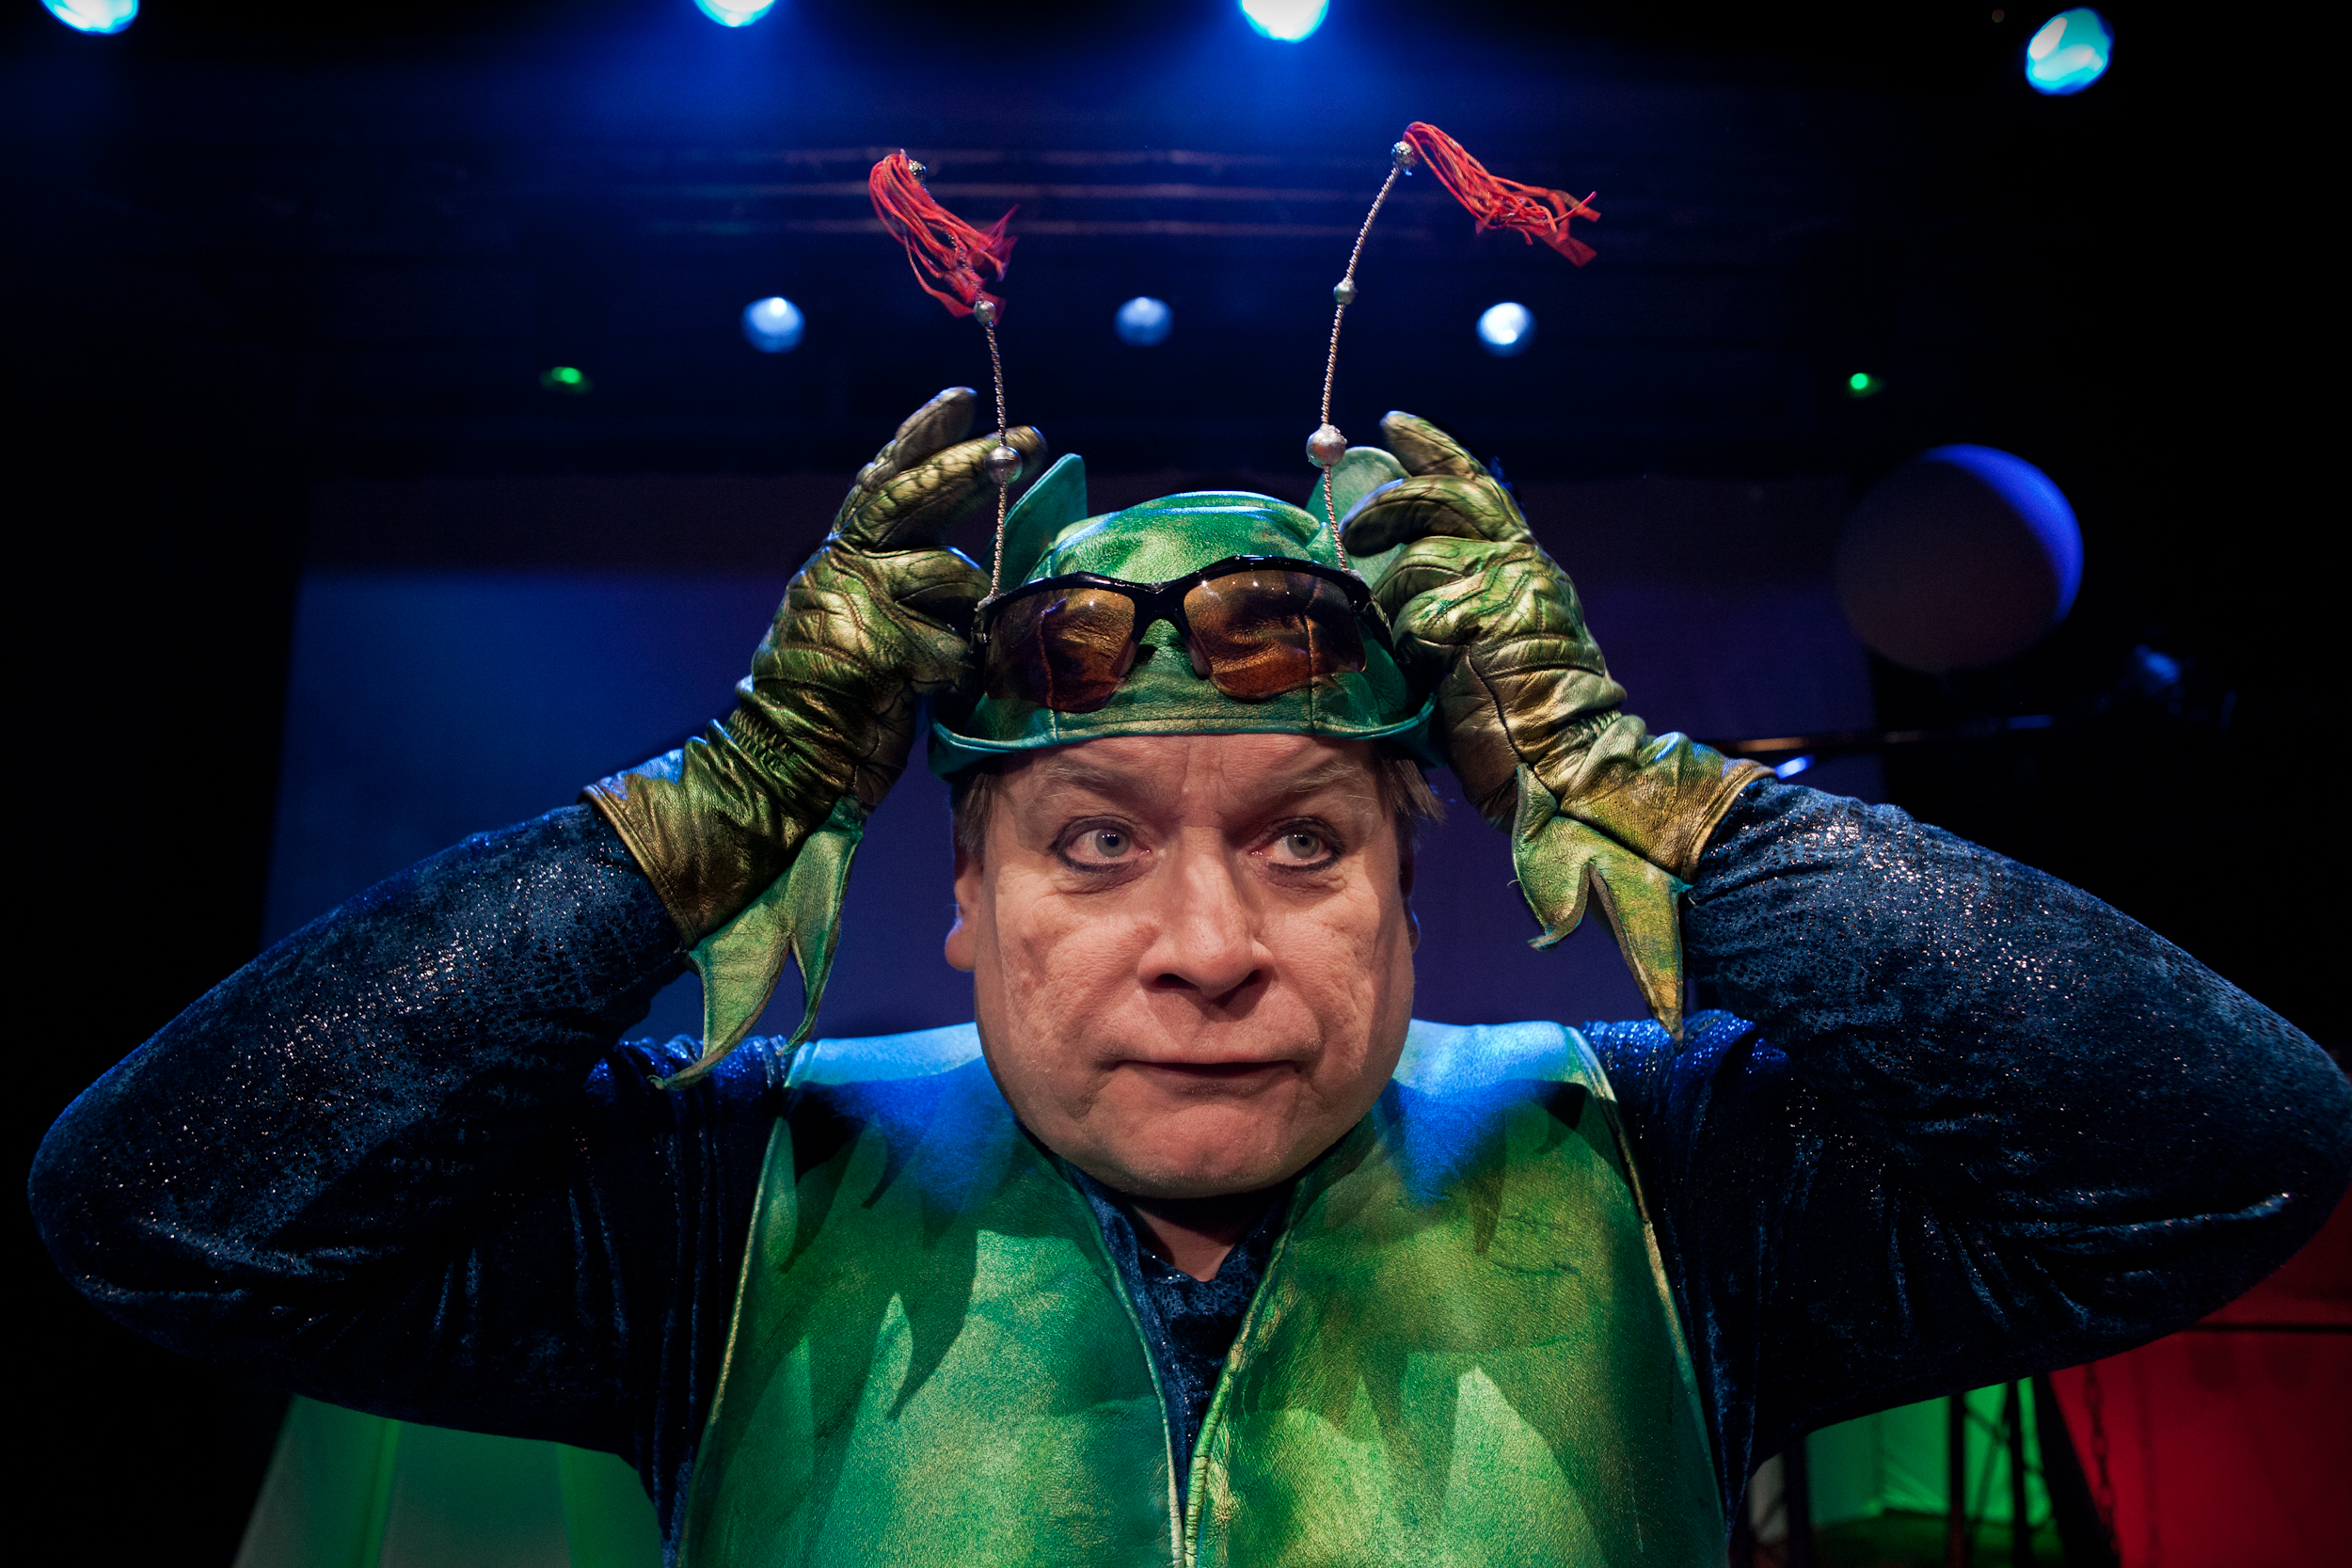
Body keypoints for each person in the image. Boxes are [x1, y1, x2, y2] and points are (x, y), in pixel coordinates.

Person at [31, 389, 2350, 1566]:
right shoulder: (722, 1206)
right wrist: (722, 799)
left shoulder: (1673, 1176)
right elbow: (158, 1210)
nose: (1212, 948)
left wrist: (1626, 778)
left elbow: (2229, 1149)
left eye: (1304, 841)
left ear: (1413, 885)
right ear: (960, 901)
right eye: (1093, 843)